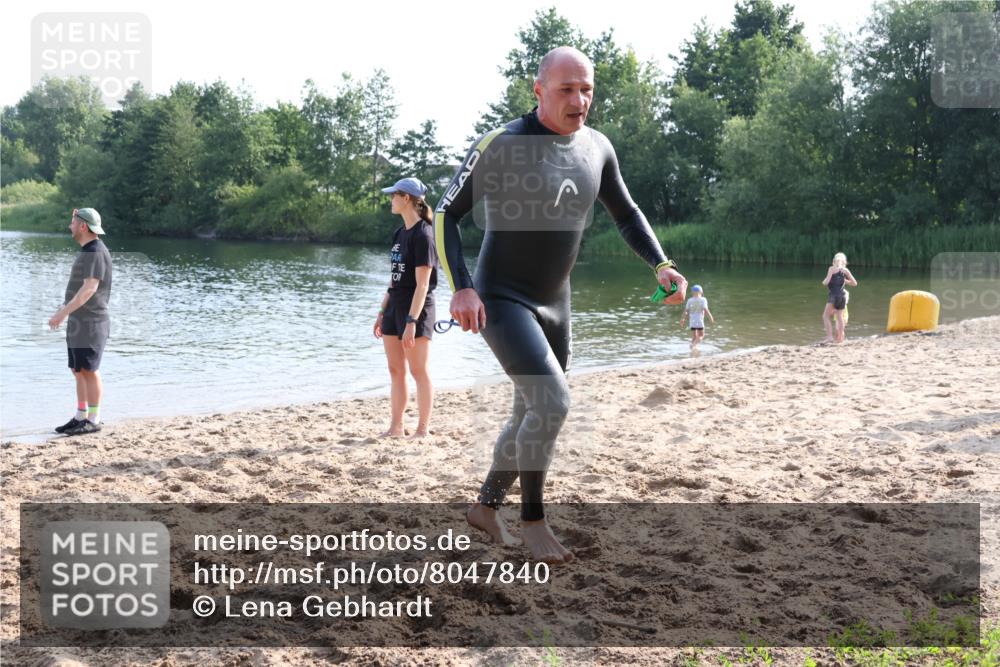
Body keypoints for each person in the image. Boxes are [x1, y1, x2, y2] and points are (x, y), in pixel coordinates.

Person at [435, 46, 687, 563]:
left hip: (556, 303)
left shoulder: (597, 147)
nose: (580, 99)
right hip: (501, 298)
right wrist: (461, 286)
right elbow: (444, 216)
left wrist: (660, 264)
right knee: (553, 402)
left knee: (530, 410)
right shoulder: (504, 145)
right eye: (567, 89)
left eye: (587, 88)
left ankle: (484, 509)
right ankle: (532, 521)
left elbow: (626, 212)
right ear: (539, 90)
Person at [373, 177, 438, 438]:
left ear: (406, 198)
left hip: (416, 310)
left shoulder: (424, 235)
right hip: (394, 306)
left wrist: (412, 321)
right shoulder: (399, 234)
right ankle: (396, 427)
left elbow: (422, 285)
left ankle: (422, 429)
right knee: (395, 369)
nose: (390, 200)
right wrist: (381, 312)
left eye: (393, 195)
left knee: (418, 370)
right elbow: (395, 276)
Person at [48, 208, 112, 436]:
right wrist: (65, 311)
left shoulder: (94, 251)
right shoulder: (88, 250)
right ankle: (80, 416)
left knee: (89, 369)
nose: (70, 226)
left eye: (73, 222)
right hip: (80, 321)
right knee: (78, 370)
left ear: (83, 226)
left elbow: (89, 289)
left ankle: (93, 419)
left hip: (92, 322)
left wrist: (62, 313)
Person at [822, 252, 858, 344]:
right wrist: (845, 280)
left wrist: (824, 282)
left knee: (826, 316)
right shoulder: (845, 271)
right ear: (844, 262)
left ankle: (829, 337)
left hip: (833, 296)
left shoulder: (831, 269)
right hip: (842, 296)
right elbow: (854, 283)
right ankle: (840, 338)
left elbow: (826, 282)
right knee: (839, 317)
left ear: (833, 261)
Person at [680, 284, 714, 350]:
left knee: (694, 336)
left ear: (692, 292)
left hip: (692, 321)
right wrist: (710, 317)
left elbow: (686, 310)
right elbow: (705, 309)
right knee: (701, 335)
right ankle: (693, 346)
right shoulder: (703, 300)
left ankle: (692, 349)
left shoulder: (690, 300)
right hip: (699, 320)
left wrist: (682, 319)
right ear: (701, 292)